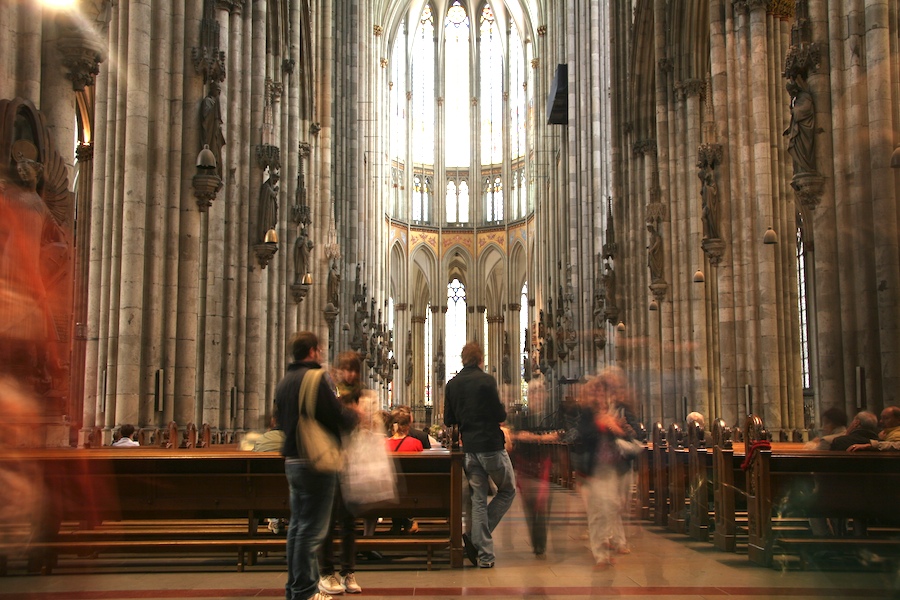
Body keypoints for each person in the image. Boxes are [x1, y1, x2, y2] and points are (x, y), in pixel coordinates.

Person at [275, 332, 358, 600]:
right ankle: (305, 592)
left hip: (293, 461)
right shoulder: (315, 378)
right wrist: (354, 416)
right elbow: (335, 415)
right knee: (312, 531)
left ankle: (295, 588)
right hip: (315, 462)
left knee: (298, 528)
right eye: (319, 349)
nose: (321, 353)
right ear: (311, 351)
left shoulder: (285, 381)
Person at [444, 341, 516, 569]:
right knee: (508, 490)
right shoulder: (486, 380)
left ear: (462, 359)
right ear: (480, 359)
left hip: (470, 450)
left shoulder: (452, 385)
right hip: (491, 446)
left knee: (478, 499)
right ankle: (477, 540)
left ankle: (485, 556)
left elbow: (448, 420)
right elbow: (498, 413)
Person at [317, 351, 374, 596]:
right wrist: (351, 414)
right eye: (347, 369)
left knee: (350, 521)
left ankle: (348, 571)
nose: (350, 374)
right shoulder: (330, 392)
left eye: (354, 370)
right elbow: (329, 420)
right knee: (328, 521)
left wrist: (364, 418)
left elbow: (368, 424)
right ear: (340, 370)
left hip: (354, 462)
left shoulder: (363, 393)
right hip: (332, 460)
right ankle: (326, 572)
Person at [783, 77, 816, 175]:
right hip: (800, 130)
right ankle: (801, 168)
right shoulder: (797, 99)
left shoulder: (805, 97)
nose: (791, 94)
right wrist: (789, 129)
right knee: (796, 150)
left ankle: (806, 167)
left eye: (791, 91)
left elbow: (802, 111)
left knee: (804, 150)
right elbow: (795, 118)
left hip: (806, 130)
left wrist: (793, 110)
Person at [200, 80, 226, 177]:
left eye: (219, 92)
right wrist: (215, 110)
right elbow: (206, 116)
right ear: (212, 90)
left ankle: (214, 171)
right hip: (209, 133)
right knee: (210, 149)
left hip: (215, 135)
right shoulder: (208, 101)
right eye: (217, 91)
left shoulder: (214, 102)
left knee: (216, 153)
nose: (218, 94)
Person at [257, 170, 280, 243]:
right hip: (267, 209)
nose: (275, 183)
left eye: (276, 182)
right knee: (267, 222)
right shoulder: (266, 186)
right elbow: (273, 194)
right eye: (274, 181)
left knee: (271, 222)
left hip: (271, 209)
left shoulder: (269, 187)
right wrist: (276, 191)